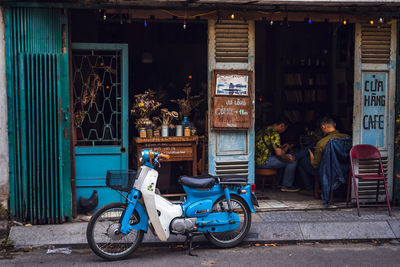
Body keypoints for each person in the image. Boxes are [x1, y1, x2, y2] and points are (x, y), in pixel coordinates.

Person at [297, 116, 350, 196]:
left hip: (329, 171)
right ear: (334, 124)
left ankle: (309, 189)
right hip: (345, 169)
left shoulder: (322, 142)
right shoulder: (347, 137)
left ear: (323, 127)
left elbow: (315, 165)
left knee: (302, 162)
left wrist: (312, 156)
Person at [255, 119, 299, 192]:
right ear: (282, 125)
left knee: (285, 158)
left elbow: (270, 148)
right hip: (264, 162)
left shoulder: (263, 130)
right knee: (292, 159)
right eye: (285, 128)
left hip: (255, 161)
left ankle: (278, 182)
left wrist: (284, 148)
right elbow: (279, 154)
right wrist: (288, 157)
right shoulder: (274, 134)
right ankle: (286, 185)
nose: (284, 131)